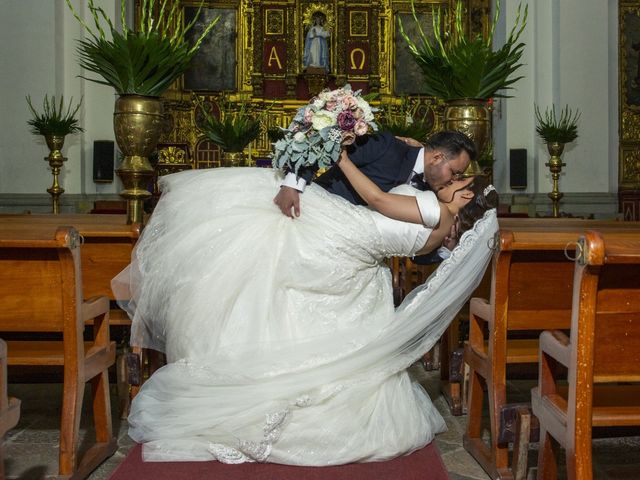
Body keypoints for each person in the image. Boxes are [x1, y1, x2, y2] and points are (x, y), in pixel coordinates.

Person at [113, 163, 498, 465]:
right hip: (357, 239)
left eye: (459, 181)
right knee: (272, 268)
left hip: (348, 231)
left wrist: (343, 159)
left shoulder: (435, 210)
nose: (449, 180)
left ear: (464, 196)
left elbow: (379, 201)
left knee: (252, 220)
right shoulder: (441, 219)